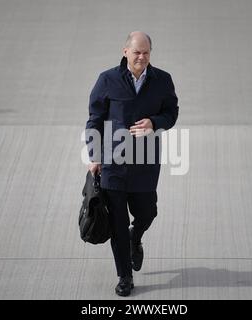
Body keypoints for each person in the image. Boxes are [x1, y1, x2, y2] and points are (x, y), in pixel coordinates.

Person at [85, 31, 179, 296]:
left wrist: (154, 122)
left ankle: (135, 237)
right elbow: (94, 119)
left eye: (146, 52)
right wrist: (95, 155)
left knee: (148, 212)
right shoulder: (107, 80)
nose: (142, 57)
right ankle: (125, 277)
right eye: (137, 52)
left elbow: (171, 113)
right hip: (113, 165)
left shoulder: (162, 80)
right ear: (125, 51)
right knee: (117, 222)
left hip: (146, 163)